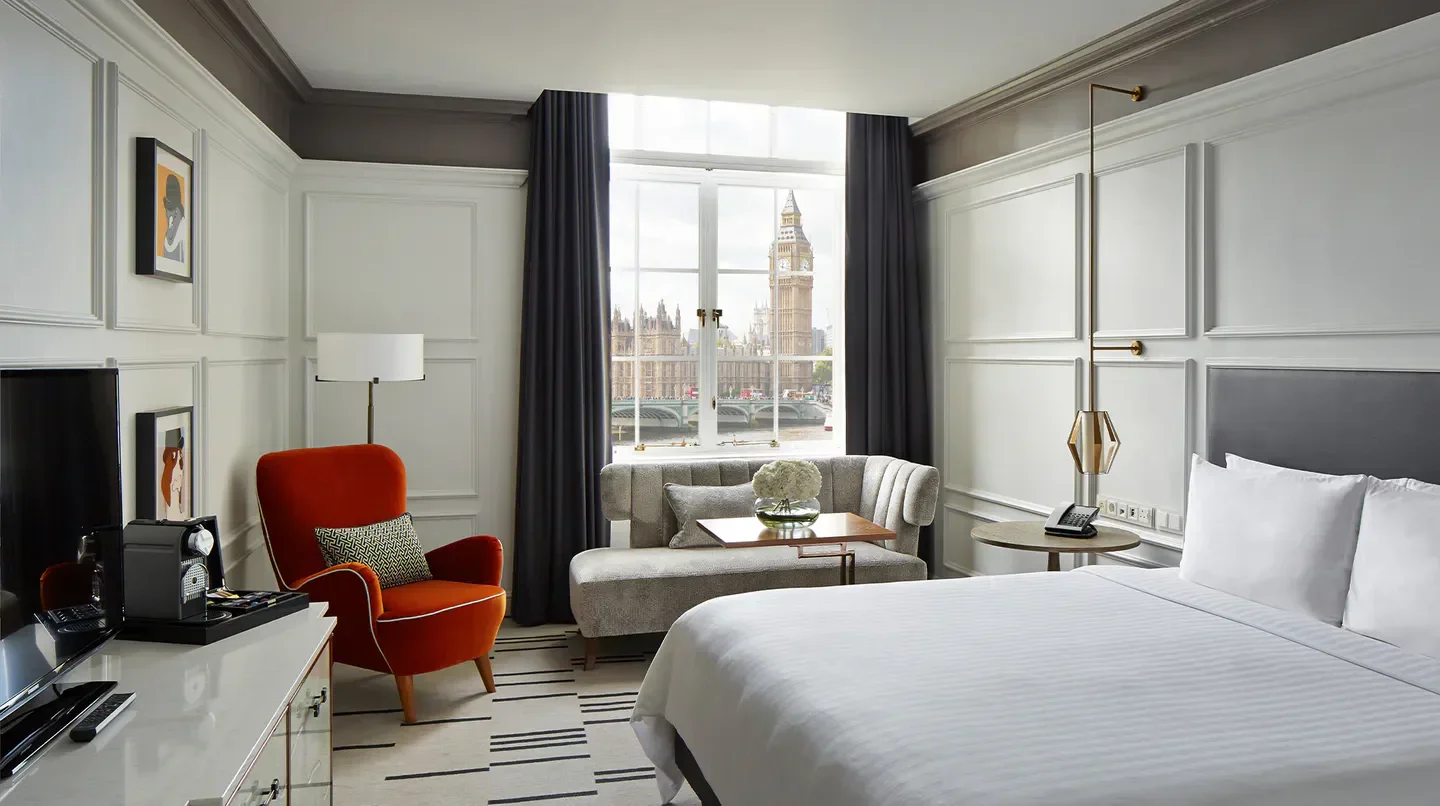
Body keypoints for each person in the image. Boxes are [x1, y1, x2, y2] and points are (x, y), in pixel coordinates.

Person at [161, 172, 186, 262]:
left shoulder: (184, 229)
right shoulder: (168, 233)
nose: (168, 215)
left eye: (170, 209)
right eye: (167, 210)